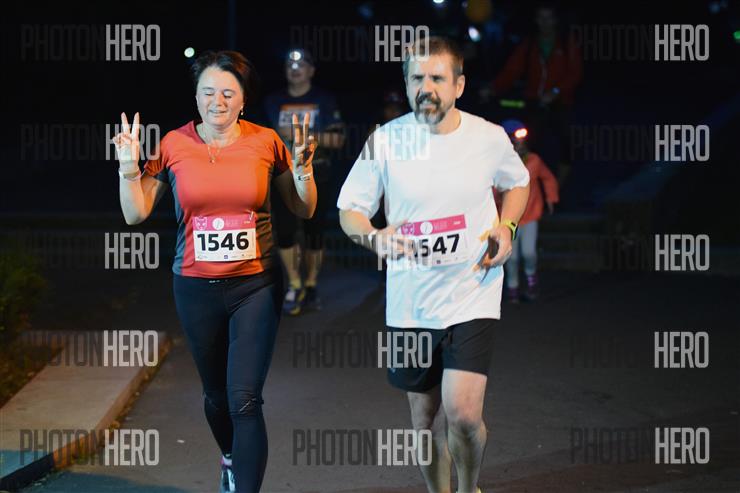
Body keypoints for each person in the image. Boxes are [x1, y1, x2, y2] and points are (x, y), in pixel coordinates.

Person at [113, 51, 317, 493]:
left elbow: (303, 207)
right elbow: (135, 213)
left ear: (243, 100)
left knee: (245, 399)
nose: (217, 101)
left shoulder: (267, 142)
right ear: (196, 97)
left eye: (228, 93)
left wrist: (303, 171)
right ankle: (229, 456)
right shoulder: (174, 144)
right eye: (208, 92)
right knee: (216, 397)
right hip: (195, 288)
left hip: (256, 285)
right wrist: (129, 167)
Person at [338, 37, 530, 493]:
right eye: (417, 78)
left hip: (473, 289)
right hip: (412, 302)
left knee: (462, 414)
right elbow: (350, 210)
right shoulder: (385, 141)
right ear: (406, 85)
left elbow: (518, 183)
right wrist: (373, 236)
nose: (426, 87)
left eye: (437, 78)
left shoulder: (488, 137)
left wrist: (507, 227)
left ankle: (468, 487)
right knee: (424, 420)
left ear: (459, 85)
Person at [264, 49, 344, 315]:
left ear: (311, 70)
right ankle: (294, 283)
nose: (295, 69)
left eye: (301, 65)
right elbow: (266, 138)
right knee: (285, 231)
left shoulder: (324, 99)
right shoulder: (273, 100)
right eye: (289, 65)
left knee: (314, 232)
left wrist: (302, 134)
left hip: (316, 172)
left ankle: (310, 285)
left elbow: (337, 139)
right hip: (283, 174)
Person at [482, 2, 582, 177]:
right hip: (534, 102)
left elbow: (575, 73)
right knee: (528, 144)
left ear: (556, 20)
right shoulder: (529, 44)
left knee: (568, 144)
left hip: (561, 102)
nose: (545, 22)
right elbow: (512, 70)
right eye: (541, 18)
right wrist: (493, 88)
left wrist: (556, 92)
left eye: (549, 18)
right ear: (536, 20)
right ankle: (529, 184)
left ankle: (559, 186)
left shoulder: (568, 43)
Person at [498, 119, 559, 302]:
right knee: (511, 257)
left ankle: (531, 280)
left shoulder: (533, 160)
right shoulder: (498, 163)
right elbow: (491, 188)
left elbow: (548, 178)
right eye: (513, 138)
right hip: (508, 218)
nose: (518, 142)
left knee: (529, 253)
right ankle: (513, 287)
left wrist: (551, 198)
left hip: (530, 214)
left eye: (520, 138)